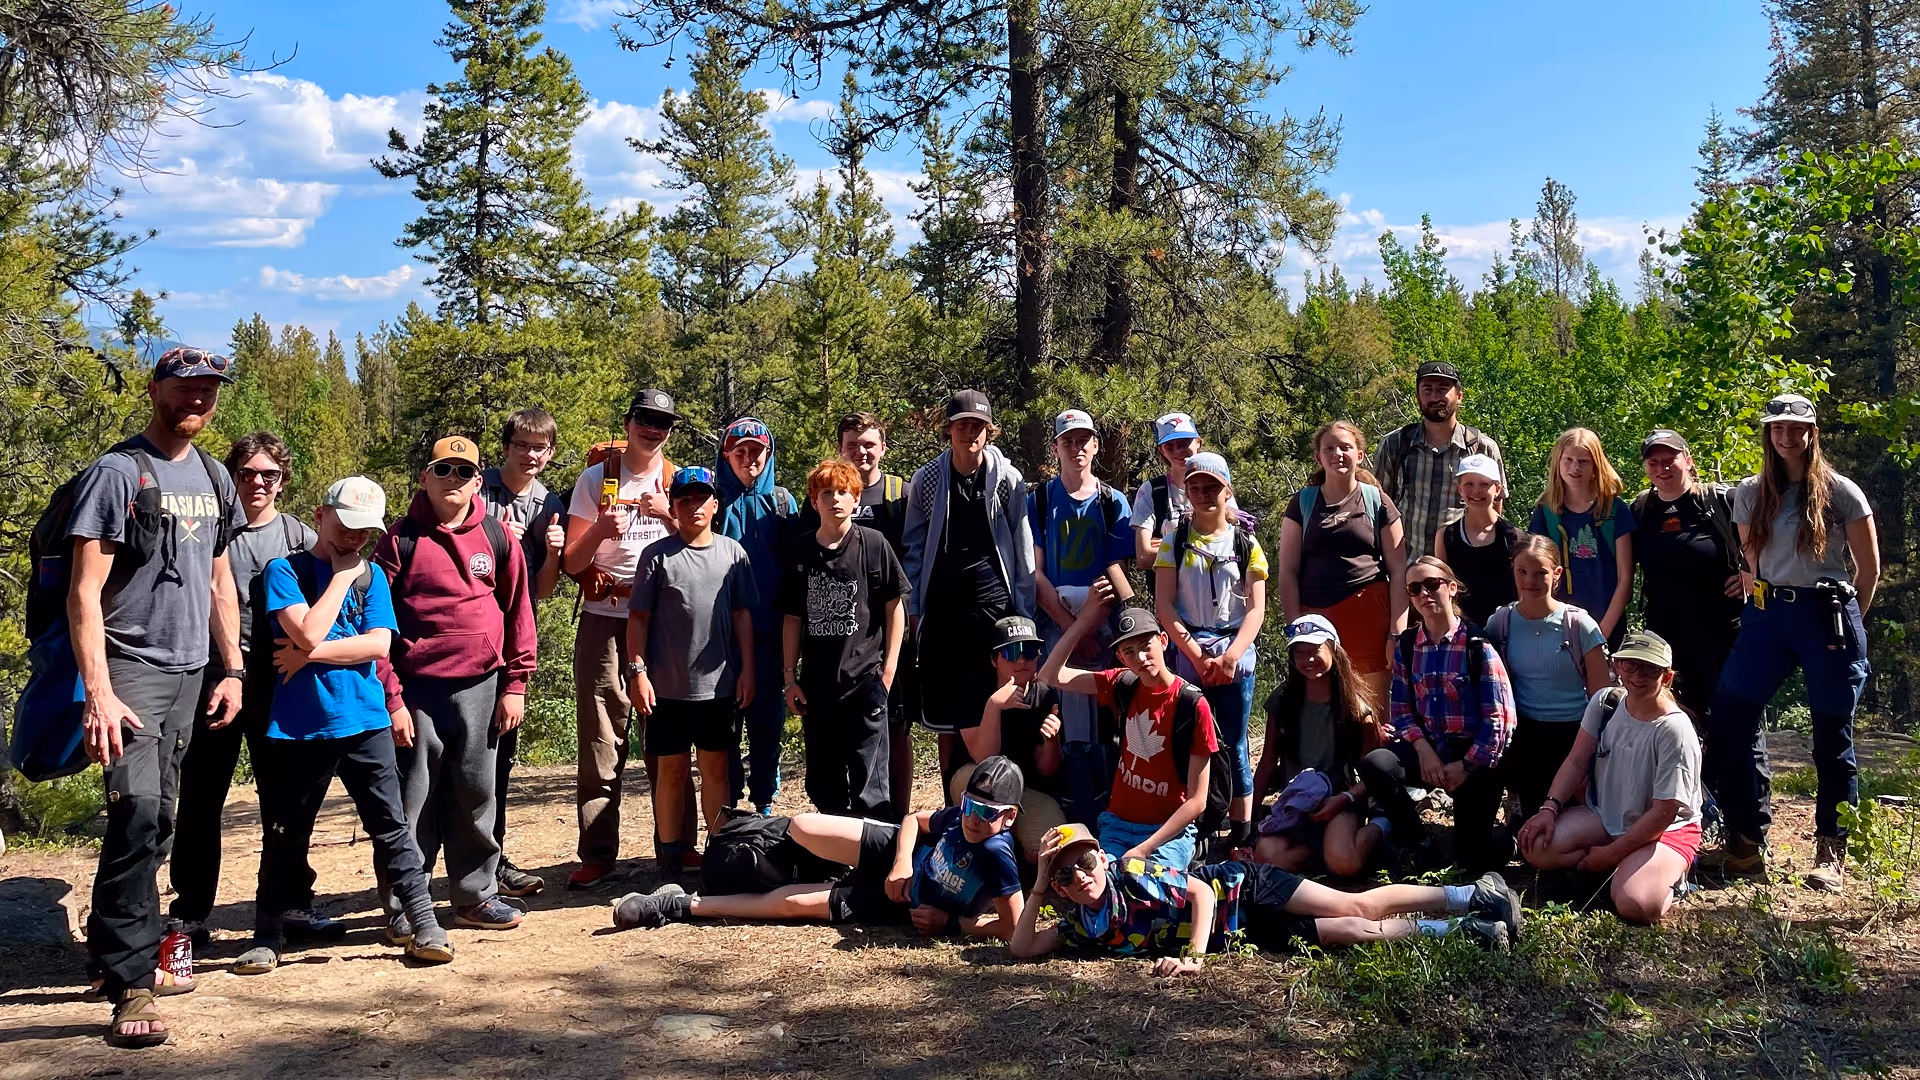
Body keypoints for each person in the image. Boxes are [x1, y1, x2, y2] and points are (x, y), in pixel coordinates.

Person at [66, 348, 247, 1046]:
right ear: (155, 389)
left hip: (193, 673)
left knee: (161, 817)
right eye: (185, 387)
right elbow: (85, 594)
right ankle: (129, 984)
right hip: (131, 668)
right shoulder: (117, 474)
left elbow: (219, 579)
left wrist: (231, 668)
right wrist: (99, 693)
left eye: (207, 389)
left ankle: (109, 943)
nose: (197, 399)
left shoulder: (212, 477)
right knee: (139, 812)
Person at [235, 476, 452, 975]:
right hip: (297, 728)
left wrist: (307, 655)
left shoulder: (372, 576)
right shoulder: (283, 571)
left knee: (392, 827)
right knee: (284, 833)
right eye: (346, 526)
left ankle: (425, 925)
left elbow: (377, 646)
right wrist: (337, 579)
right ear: (320, 514)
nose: (354, 540)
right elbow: (306, 628)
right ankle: (267, 936)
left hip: (365, 720)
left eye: (364, 532)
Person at [168, 433, 332, 948]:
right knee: (200, 799)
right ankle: (190, 914)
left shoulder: (300, 538)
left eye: (270, 475)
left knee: (287, 801)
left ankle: (291, 901)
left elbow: (326, 611)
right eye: (246, 473)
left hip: (280, 683)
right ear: (231, 478)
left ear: (284, 481)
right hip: (212, 678)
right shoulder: (209, 531)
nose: (257, 483)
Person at [1710, 394, 1878, 890]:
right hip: (1766, 614)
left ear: (1812, 432)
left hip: (1826, 615)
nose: (1786, 435)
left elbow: (1868, 571)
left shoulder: (1842, 493)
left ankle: (1832, 852)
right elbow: (1751, 563)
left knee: (1832, 735)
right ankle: (1745, 842)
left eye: (1795, 427)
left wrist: (1849, 624)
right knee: (1731, 717)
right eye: (1777, 427)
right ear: (1769, 433)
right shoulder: (1752, 492)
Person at [373, 435, 538, 935]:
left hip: (482, 686)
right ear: (424, 477)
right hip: (416, 690)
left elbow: (518, 612)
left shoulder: (497, 536)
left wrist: (516, 685)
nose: (453, 480)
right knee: (413, 799)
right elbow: (376, 625)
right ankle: (408, 904)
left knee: (476, 791)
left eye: (464, 472)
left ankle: (475, 895)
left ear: (477, 480)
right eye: (443, 470)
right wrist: (392, 697)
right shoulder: (398, 540)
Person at [1008, 824, 1520, 976]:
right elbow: (1022, 949)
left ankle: (1473, 894)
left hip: (1243, 888)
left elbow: (1201, 893)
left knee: (1355, 906)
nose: (1081, 877)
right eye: (1065, 876)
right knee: (1349, 934)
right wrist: (1036, 889)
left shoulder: (1131, 874)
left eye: (1086, 862)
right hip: (1243, 933)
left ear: (1102, 856)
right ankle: (1467, 933)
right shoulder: (1081, 926)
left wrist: (1192, 960)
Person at [611, 758, 1028, 940]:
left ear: (1008, 817)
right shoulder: (959, 817)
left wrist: (952, 926)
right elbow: (913, 820)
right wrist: (901, 861)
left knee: (791, 905)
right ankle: (760, 845)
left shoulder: (998, 855)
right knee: (805, 825)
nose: (974, 818)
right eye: (970, 805)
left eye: (987, 812)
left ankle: (678, 905)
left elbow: (1012, 928)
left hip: (901, 905)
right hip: (896, 860)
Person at [562, 389, 677, 888]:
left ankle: (674, 846)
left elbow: (698, 538)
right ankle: (598, 852)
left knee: (669, 737)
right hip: (604, 616)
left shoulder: (676, 481)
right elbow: (571, 561)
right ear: (629, 423)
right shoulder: (595, 480)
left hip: (664, 621)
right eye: (645, 419)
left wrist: (667, 514)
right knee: (601, 736)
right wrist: (601, 529)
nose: (653, 428)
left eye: (663, 422)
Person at [1517, 632, 1706, 925]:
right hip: (1608, 813)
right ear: (1617, 666)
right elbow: (1576, 760)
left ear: (1666, 677)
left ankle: (1665, 876)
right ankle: (1628, 869)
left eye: (1650, 669)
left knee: (1637, 905)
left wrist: (1608, 855)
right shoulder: (1606, 702)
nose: (1638, 675)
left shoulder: (1674, 729)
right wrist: (1549, 809)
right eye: (1630, 665)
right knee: (1536, 847)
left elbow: (1664, 813)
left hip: (1667, 829)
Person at [628, 465, 759, 880]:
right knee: (671, 772)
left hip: (719, 687)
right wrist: (637, 672)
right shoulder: (657, 556)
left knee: (717, 770)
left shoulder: (732, 554)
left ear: (715, 504)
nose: (693, 506)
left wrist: (748, 670)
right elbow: (638, 620)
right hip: (665, 689)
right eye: (684, 499)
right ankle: (669, 858)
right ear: (673, 505)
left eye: (701, 498)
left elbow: (742, 616)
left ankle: (718, 855)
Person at [902, 390, 1036, 783]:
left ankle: (1001, 789)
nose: (970, 433)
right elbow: (913, 544)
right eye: (962, 425)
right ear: (949, 430)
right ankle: (951, 797)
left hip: (995, 607)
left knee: (997, 697)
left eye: (978, 426)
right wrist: (915, 606)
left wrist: (1023, 610)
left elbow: (1022, 545)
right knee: (948, 712)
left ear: (988, 431)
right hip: (943, 608)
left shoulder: (1008, 480)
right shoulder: (927, 480)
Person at [1360, 557, 1518, 872]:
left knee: (1472, 860)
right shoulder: (1408, 646)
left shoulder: (1476, 645)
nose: (1425, 594)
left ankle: (1509, 838)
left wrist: (1467, 765)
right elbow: (1402, 710)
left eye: (1432, 584)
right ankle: (1420, 841)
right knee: (1377, 764)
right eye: (1415, 589)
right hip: (1429, 747)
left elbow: (1500, 720)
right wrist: (1422, 750)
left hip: (1473, 756)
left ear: (1452, 588)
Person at [798, 412, 917, 814]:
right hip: (831, 653)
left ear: (883, 448)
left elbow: (916, 554)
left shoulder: (899, 494)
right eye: (853, 444)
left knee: (894, 730)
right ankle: (845, 832)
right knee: (837, 748)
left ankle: (893, 822)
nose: (861, 451)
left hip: (887, 638)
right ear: (841, 448)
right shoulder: (819, 498)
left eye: (869, 444)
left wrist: (891, 661)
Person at [1042, 596, 1216, 869]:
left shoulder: (1192, 705)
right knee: (1105, 888)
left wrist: (1144, 849)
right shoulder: (1122, 683)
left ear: (1163, 641)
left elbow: (1197, 801)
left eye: (1146, 646)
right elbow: (1052, 675)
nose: (1141, 658)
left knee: (1149, 889)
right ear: (1120, 656)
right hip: (1118, 825)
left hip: (1168, 832)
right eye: (1129, 651)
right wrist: (1082, 623)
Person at [478, 408, 568, 898]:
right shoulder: (478, 486)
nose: (530, 455)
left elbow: (545, 590)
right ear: (506, 446)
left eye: (540, 448)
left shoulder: (549, 503)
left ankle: (493, 858)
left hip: (512, 638)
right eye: (522, 445)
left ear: (550, 452)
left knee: (500, 755)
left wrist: (553, 552)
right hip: (466, 632)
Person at [1152, 451, 1263, 847]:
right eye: (1195, 486)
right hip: (1188, 653)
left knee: (1233, 744)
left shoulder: (1246, 541)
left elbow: (1256, 608)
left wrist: (1231, 656)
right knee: (1191, 743)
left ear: (1226, 489)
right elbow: (1164, 604)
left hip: (1234, 654)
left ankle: (1240, 835)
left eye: (1211, 486)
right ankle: (1194, 829)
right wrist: (1196, 655)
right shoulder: (1174, 540)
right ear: (1186, 490)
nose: (1202, 494)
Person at [1277, 420, 1408, 712]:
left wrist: (1395, 633)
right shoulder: (1302, 503)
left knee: (1373, 709)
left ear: (1360, 454)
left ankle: (1374, 759)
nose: (1338, 453)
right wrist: (1294, 628)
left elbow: (1399, 569)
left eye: (1346, 447)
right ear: (1318, 457)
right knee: (1323, 705)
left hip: (1369, 617)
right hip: (1316, 620)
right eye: (1329, 448)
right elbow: (1287, 571)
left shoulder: (1378, 501)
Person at [1249, 615, 1389, 877]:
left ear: (1333, 650)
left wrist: (1344, 799)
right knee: (1266, 858)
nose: (1307, 660)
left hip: (1339, 800)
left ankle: (1381, 825)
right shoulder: (1282, 701)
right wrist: (1249, 816)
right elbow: (1268, 762)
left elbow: (1372, 773)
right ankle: (1322, 852)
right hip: (1295, 802)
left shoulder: (1356, 710)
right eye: (1300, 653)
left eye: (1314, 651)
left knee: (1343, 863)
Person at [1485, 536, 1610, 826]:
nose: (1531, 581)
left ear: (1556, 574)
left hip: (1576, 736)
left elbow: (1601, 696)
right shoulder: (1500, 623)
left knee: (1579, 820)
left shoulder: (1579, 625)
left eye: (1540, 572)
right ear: (1513, 570)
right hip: (1527, 738)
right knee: (1537, 828)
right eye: (1522, 571)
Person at [1030, 407, 1136, 748]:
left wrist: (1092, 627)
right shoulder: (1041, 500)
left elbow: (1115, 570)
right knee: (1060, 709)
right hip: (1054, 619)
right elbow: (1036, 573)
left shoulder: (1113, 502)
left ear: (1095, 446)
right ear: (1055, 448)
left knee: (1106, 708)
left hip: (1103, 620)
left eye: (1084, 440)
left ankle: (1107, 786)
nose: (1077, 448)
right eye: (1068, 441)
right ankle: (1069, 789)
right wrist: (1071, 630)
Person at [1631, 429, 1743, 731]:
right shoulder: (1640, 511)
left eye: (1670, 459)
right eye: (1654, 462)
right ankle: (1693, 781)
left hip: (1721, 635)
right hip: (1666, 640)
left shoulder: (1722, 502)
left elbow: (1771, 543)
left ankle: (1744, 781)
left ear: (1689, 460)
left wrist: (1752, 576)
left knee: (1736, 723)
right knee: (1678, 723)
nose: (1662, 468)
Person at [713, 416, 797, 816]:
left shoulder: (782, 502)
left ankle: (763, 805)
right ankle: (726, 809)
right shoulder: (711, 502)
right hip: (719, 639)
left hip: (770, 637)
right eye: (740, 452)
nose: (749, 459)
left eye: (757, 452)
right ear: (726, 455)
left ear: (769, 454)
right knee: (723, 731)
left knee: (767, 728)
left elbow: (797, 568)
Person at [948, 616, 1067, 859]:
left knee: (1053, 850)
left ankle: (1012, 847)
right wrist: (993, 706)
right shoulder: (973, 691)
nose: (1022, 660)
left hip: (1024, 792)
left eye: (1030, 651)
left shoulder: (1045, 696)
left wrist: (1051, 742)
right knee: (982, 805)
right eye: (1012, 652)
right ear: (994, 659)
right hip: (977, 782)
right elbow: (984, 758)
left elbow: (1048, 769)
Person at [1370, 360, 1504, 563]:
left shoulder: (1483, 448)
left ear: (1459, 396)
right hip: (1404, 568)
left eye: (1443, 389)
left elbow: (1494, 508)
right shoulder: (1395, 445)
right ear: (1418, 397)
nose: (1435, 397)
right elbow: (1377, 506)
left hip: (1463, 570)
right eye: (1427, 389)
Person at [1528, 428, 1636, 649]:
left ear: (1596, 465)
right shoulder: (1546, 512)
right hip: (1557, 627)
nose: (1575, 467)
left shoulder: (1615, 510)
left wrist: (1599, 635)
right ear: (1557, 462)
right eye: (1568, 459)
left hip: (1607, 625)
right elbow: (1536, 575)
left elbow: (1625, 580)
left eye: (1583, 461)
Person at [1433, 453, 1519, 628]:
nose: (1476, 491)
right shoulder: (1445, 536)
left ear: (1498, 489)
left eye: (1484, 484)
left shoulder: (1514, 536)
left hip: (1506, 629)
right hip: (1461, 630)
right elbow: (1442, 589)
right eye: (1469, 484)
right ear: (1460, 490)